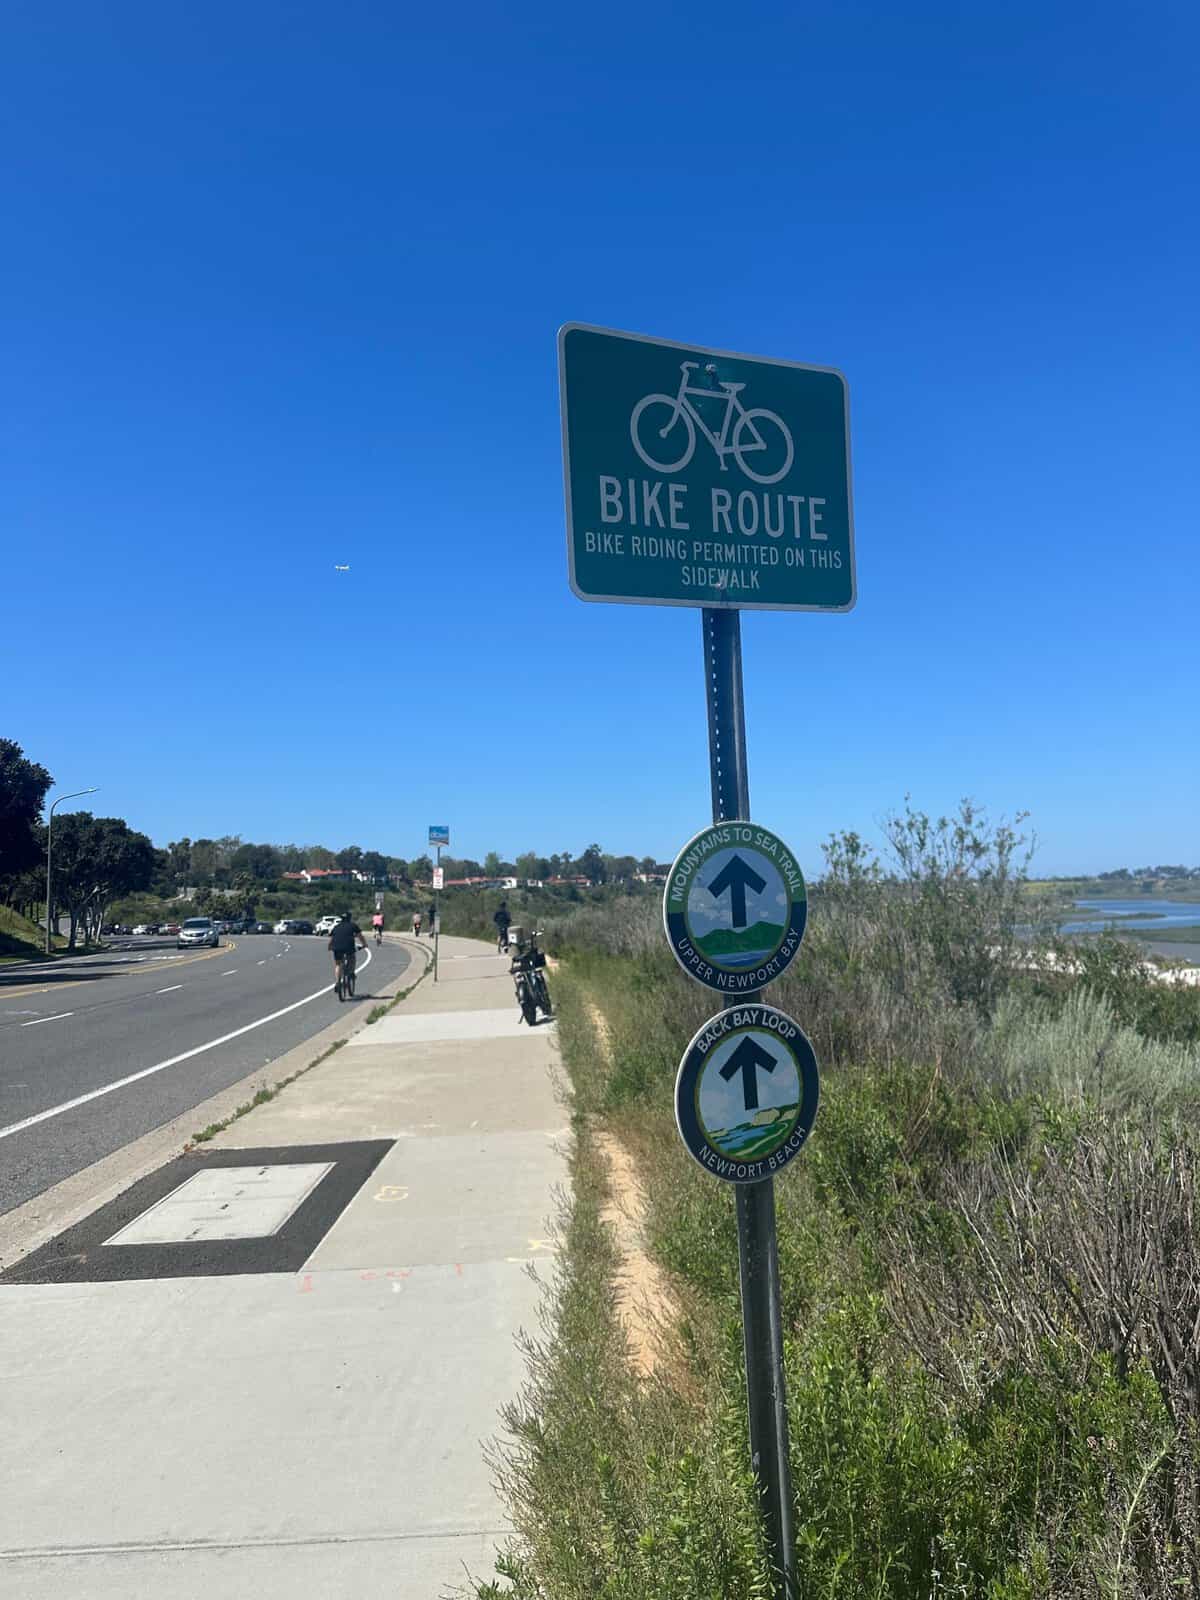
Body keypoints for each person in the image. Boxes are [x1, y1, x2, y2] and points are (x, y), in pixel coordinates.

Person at [329, 911, 366, 987]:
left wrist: (329, 946)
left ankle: (338, 983)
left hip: (336, 946)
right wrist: (364, 944)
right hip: (348, 946)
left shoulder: (336, 926)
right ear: (350, 918)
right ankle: (351, 972)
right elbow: (360, 936)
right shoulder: (353, 925)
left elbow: (331, 938)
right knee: (352, 958)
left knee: (338, 965)